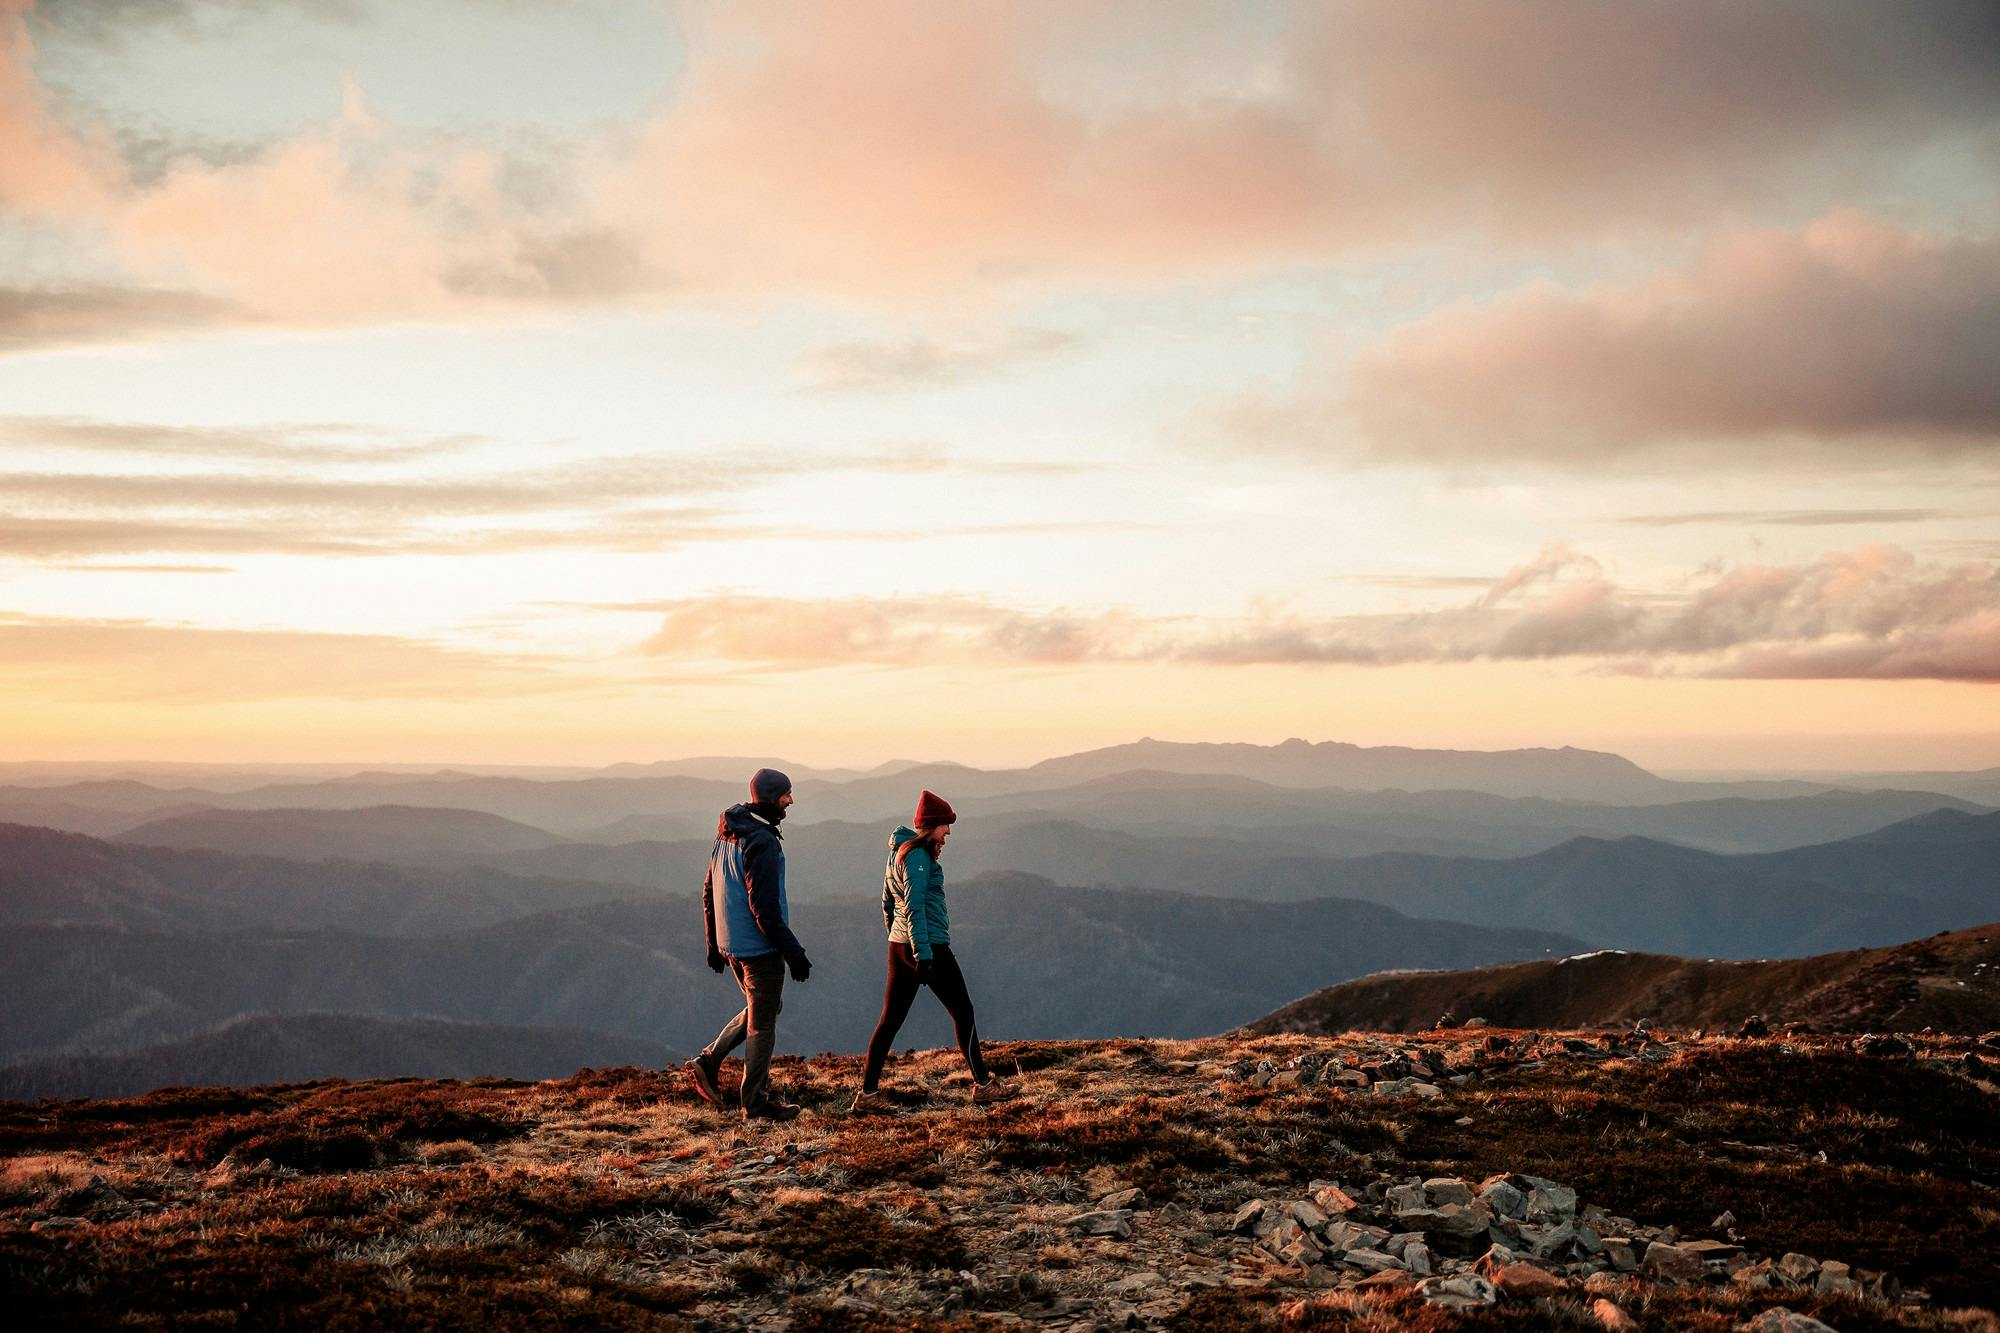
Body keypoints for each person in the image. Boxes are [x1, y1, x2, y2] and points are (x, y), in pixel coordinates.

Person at [850, 789, 1015, 1112]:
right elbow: (915, 907)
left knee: (890, 1021)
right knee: (963, 1012)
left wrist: (895, 936)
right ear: (931, 826)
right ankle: (983, 1085)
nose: (948, 832)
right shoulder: (918, 858)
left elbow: (887, 901)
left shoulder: (898, 851)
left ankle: (867, 1095)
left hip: (899, 946)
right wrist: (923, 956)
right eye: (945, 825)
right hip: (928, 947)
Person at [686, 767, 813, 1121]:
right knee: (763, 1025)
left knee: (765, 1008)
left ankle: (708, 1061)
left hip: (733, 946)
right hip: (759, 949)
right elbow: (765, 911)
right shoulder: (761, 841)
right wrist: (795, 954)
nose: (791, 800)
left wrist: (714, 945)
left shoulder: (728, 832)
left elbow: (709, 891)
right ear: (771, 798)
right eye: (786, 794)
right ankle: (754, 1103)